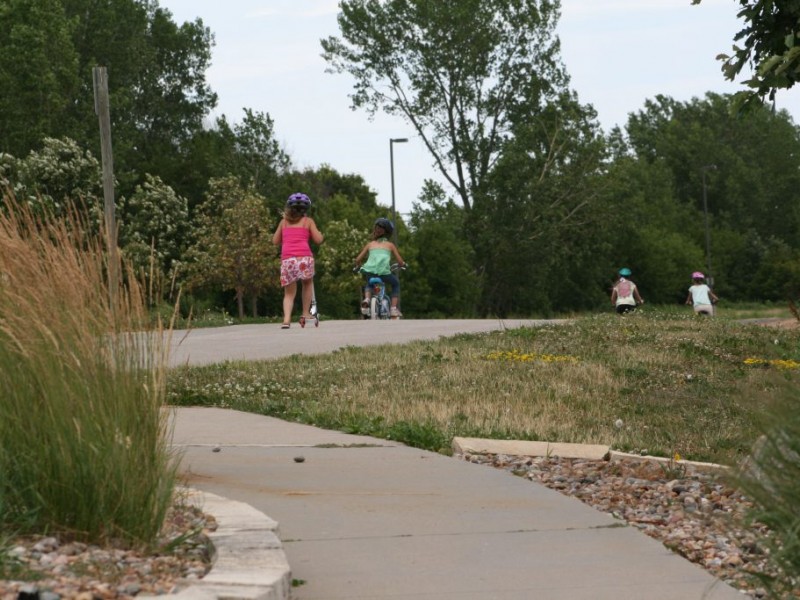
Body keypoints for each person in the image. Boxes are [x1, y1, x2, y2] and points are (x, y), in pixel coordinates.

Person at [272, 193, 324, 328]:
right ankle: (305, 313)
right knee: (307, 284)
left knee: (289, 294)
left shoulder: (283, 222)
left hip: (288, 260)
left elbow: (275, 241)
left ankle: (286, 320)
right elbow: (318, 240)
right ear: (306, 209)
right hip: (304, 259)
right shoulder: (308, 221)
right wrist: (321, 235)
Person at [354, 218, 406, 318]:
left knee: (369, 283)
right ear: (388, 233)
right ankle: (393, 309)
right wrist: (403, 264)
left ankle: (367, 300)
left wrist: (358, 266)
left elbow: (357, 259)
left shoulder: (370, 245)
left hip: (370, 272)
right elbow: (400, 261)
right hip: (384, 273)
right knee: (396, 284)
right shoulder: (390, 245)